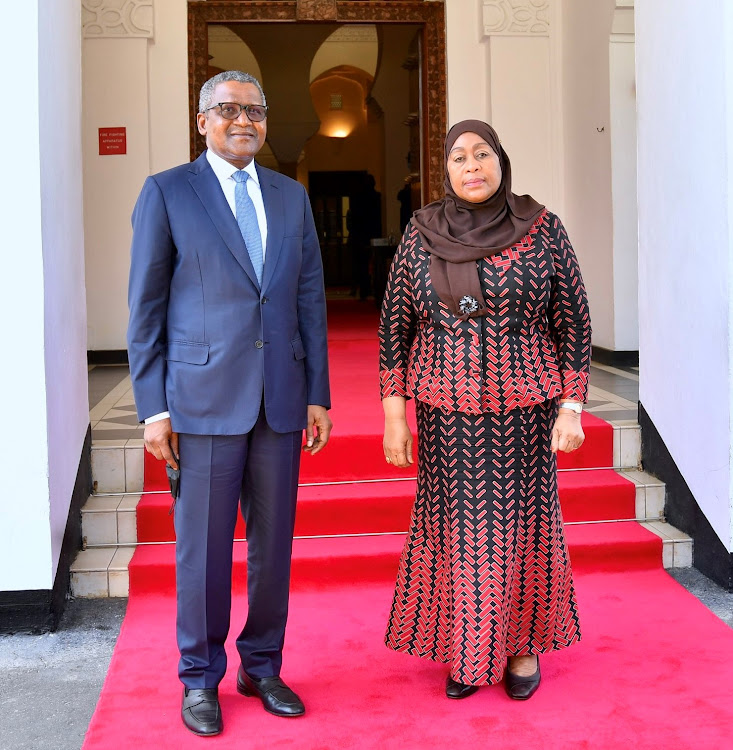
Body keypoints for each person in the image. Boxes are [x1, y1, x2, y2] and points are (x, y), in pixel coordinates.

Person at [127, 70, 332, 737]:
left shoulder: (289, 197)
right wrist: (153, 411)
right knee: (204, 552)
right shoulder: (167, 193)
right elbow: (146, 307)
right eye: (228, 110)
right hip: (201, 401)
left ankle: (262, 666)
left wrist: (317, 395)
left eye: (255, 110)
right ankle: (199, 677)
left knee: (273, 549)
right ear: (201, 120)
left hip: (279, 401)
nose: (243, 120)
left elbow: (307, 299)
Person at [378, 119, 590, 701]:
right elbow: (396, 327)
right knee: (460, 530)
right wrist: (395, 413)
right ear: (445, 171)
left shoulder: (543, 230)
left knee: (522, 527)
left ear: (501, 161)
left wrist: (571, 405)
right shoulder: (422, 234)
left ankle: (522, 646)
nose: (471, 166)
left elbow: (572, 322)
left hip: (525, 403)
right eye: (457, 158)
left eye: (482, 154)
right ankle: (468, 649)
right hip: (446, 407)